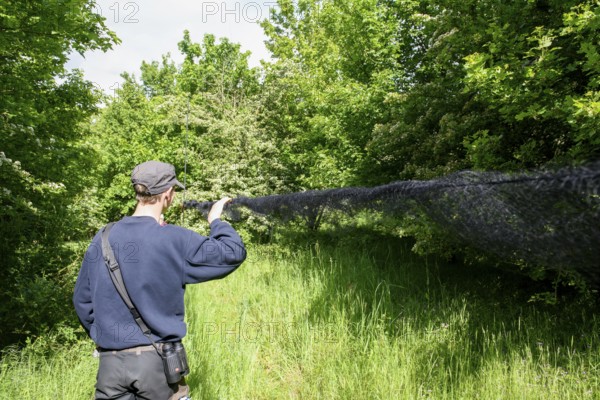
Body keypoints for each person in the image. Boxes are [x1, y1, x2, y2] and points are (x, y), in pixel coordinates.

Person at [73, 160, 246, 400]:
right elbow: (232, 253)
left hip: (110, 366)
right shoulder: (172, 239)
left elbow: (82, 301)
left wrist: (109, 337)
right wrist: (216, 220)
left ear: (139, 192)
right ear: (167, 194)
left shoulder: (101, 238)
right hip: (157, 368)